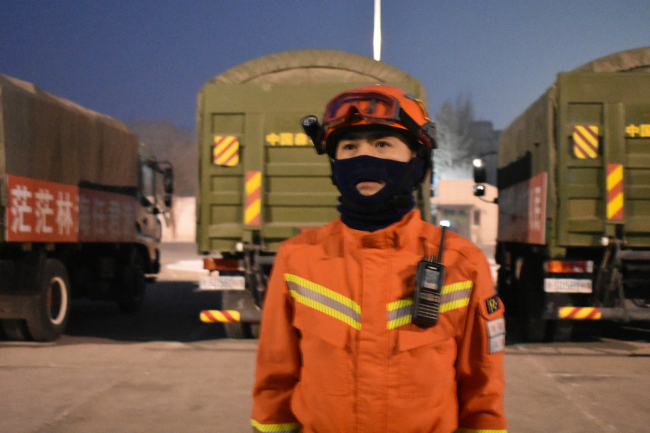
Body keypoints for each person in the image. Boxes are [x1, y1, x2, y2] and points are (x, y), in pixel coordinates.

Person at [251, 85, 507, 433]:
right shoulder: (297, 258)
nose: (363, 158)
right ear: (334, 165)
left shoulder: (463, 263)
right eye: (349, 147)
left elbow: (482, 386)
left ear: (417, 163)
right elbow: (275, 377)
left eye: (382, 144)